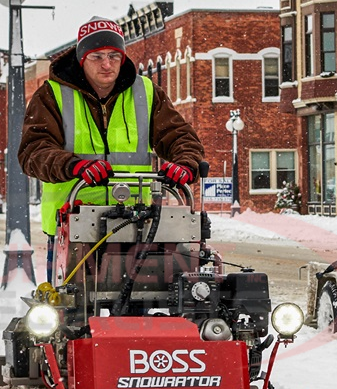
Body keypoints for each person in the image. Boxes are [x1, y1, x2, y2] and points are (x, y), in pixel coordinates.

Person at [18, 16, 205, 282]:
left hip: (137, 220)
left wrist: (186, 163)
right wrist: (74, 166)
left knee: (144, 303)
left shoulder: (146, 92)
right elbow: (34, 151)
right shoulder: (52, 95)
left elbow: (178, 135)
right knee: (70, 310)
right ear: (82, 59)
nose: (107, 64)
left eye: (113, 56)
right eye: (97, 57)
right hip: (74, 222)